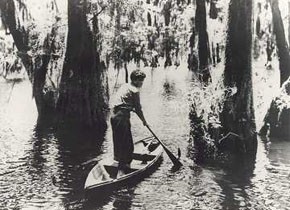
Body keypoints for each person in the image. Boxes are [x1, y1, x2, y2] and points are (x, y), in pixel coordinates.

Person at [110, 70, 148, 175]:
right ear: (135, 80)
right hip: (122, 116)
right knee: (126, 144)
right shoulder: (135, 90)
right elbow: (138, 108)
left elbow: (123, 101)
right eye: (141, 81)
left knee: (119, 141)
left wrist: (131, 107)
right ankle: (123, 169)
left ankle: (118, 163)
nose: (142, 83)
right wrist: (144, 121)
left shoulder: (124, 86)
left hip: (114, 115)